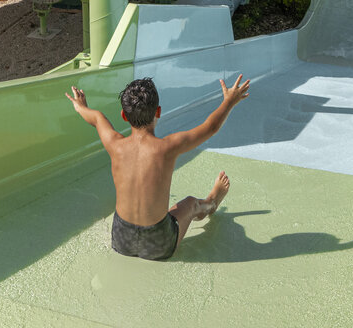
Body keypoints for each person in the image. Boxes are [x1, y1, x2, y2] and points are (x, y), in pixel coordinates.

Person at [66, 74, 251, 261]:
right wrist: (229, 101)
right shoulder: (167, 147)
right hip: (158, 242)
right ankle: (211, 202)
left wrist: (80, 106)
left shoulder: (115, 145)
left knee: (161, 209)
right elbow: (210, 127)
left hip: (121, 239)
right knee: (190, 203)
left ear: (124, 115)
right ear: (158, 111)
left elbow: (97, 118)